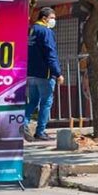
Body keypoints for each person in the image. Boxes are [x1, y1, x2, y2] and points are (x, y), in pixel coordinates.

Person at [24, 8, 63, 140]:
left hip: (30, 73)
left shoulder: (30, 30)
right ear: (44, 18)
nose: (54, 21)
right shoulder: (46, 31)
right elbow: (51, 53)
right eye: (52, 18)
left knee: (33, 101)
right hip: (44, 74)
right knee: (46, 102)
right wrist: (58, 73)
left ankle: (23, 123)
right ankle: (40, 131)